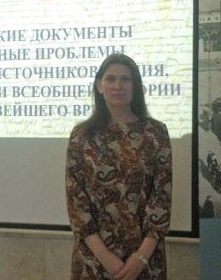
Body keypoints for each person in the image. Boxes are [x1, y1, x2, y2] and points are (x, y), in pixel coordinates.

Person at [65, 53, 172, 279]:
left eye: (125, 79)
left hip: (144, 260)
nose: (118, 86)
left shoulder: (156, 132)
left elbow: (161, 196)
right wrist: (105, 256)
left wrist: (140, 258)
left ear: (135, 86)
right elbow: (76, 200)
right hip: (93, 260)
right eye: (110, 79)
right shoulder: (81, 135)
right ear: (99, 85)